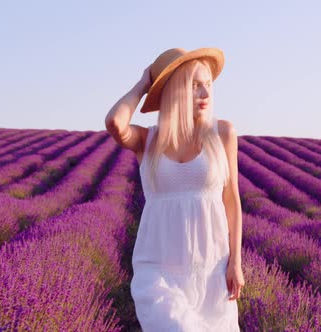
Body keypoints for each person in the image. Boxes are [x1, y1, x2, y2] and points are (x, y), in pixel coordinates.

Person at [105, 47, 244, 331]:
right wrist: (145, 83)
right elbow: (115, 123)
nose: (205, 94)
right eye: (194, 86)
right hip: (159, 272)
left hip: (211, 271)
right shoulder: (149, 140)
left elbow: (232, 202)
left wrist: (235, 263)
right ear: (175, 91)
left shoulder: (223, 134)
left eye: (207, 85)